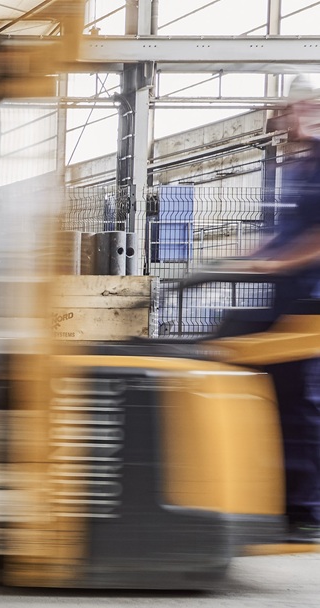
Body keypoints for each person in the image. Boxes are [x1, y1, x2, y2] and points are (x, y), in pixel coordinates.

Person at [221, 75, 320, 542]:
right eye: (288, 109)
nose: (290, 118)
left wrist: (276, 263)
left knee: (301, 402)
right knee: (260, 382)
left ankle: (307, 512)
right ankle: (274, 499)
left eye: (302, 107)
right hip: (287, 297)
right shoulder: (300, 167)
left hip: (310, 304)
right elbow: (284, 236)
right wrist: (240, 257)